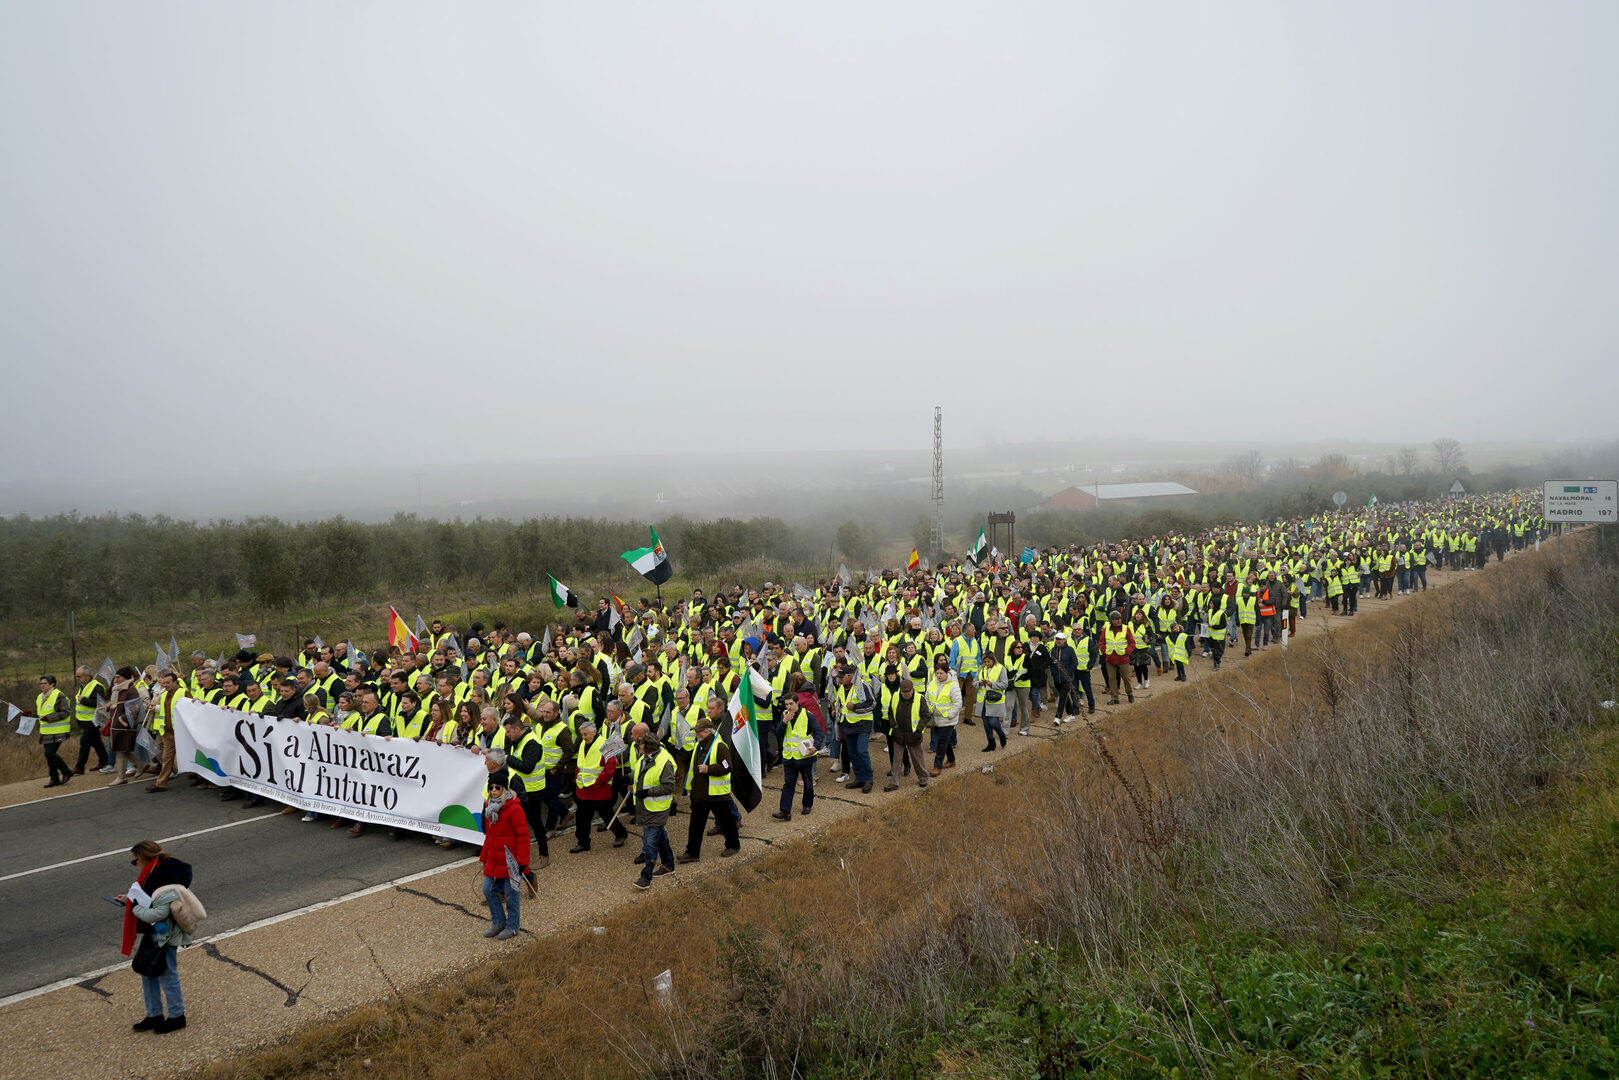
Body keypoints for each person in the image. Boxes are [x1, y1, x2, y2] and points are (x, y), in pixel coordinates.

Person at [120, 840, 197, 1033]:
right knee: (148, 971)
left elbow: (159, 911)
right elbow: (150, 899)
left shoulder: (162, 876)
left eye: (135, 861)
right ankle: (154, 1014)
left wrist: (134, 906)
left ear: (144, 858)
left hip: (164, 932)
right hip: (154, 930)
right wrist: (128, 899)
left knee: (166, 973)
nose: (135, 865)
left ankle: (177, 1016)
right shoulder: (158, 870)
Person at [678, 708, 740, 862]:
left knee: (726, 822)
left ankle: (733, 845)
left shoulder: (719, 746)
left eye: (699, 731)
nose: (697, 734)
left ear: (708, 731)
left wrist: (709, 769)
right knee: (695, 825)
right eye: (696, 731)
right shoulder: (698, 745)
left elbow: (727, 767)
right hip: (700, 794)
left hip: (716, 794)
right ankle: (692, 852)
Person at [478, 772, 527, 940]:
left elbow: (523, 837)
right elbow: (489, 836)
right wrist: (484, 857)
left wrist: (522, 862)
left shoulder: (514, 809)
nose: (493, 790)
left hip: (509, 861)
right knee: (488, 889)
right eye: (491, 787)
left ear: (504, 789)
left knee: (511, 895)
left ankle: (513, 926)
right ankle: (498, 922)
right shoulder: (489, 808)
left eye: (497, 787)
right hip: (493, 858)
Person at [630, 729, 678, 889]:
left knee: (650, 844)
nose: (638, 745)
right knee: (661, 838)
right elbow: (641, 774)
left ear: (648, 747)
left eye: (641, 744)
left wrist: (648, 792)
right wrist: (629, 778)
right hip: (646, 807)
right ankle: (668, 865)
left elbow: (669, 786)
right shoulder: (645, 757)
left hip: (658, 808)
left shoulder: (665, 762)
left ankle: (646, 877)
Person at [570, 719, 627, 852]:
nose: (583, 737)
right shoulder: (583, 744)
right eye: (582, 734)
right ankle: (583, 842)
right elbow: (581, 764)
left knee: (607, 815)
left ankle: (620, 834)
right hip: (584, 788)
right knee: (582, 818)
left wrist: (598, 783)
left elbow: (610, 767)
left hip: (599, 789)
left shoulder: (604, 745)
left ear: (594, 732)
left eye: (585, 734)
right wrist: (577, 780)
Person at [773, 694, 820, 820]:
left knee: (808, 782)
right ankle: (785, 811)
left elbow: (819, 732)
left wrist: (815, 747)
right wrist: (784, 721)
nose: (788, 707)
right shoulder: (784, 715)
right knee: (788, 783)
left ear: (797, 703)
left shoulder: (808, 715)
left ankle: (807, 805)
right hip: (789, 757)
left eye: (791, 704)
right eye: (786, 704)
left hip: (804, 756)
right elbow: (779, 733)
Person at [884, 678, 931, 790]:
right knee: (897, 759)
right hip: (899, 733)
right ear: (900, 690)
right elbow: (890, 712)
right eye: (904, 692)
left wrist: (919, 730)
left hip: (914, 734)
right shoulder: (895, 696)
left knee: (917, 759)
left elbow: (926, 715)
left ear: (912, 689)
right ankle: (894, 783)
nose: (906, 694)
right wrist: (893, 725)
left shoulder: (920, 698)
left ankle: (923, 778)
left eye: (908, 691)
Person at [35, 675, 74, 788]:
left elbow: (66, 712)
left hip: (59, 730)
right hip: (46, 731)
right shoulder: (39, 697)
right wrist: (30, 714)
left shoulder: (59, 696)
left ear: (52, 684)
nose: (42, 685)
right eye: (41, 683)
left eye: (45, 683)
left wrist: (49, 718)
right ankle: (54, 778)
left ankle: (66, 771)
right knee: (49, 756)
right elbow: (41, 714)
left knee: (49, 753)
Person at [72, 665, 112, 775]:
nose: (77, 679)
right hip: (83, 721)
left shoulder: (97, 687)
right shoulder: (83, 686)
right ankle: (104, 761)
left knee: (84, 742)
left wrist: (83, 700)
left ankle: (80, 767)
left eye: (79, 676)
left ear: (87, 676)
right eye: (76, 676)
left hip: (93, 721)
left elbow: (99, 704)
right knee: (96, 741)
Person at [926, 656, 962, 776]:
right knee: (945, 741)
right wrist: (929, 710)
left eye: (941, 673)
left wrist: (950, 715)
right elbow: (927, 698)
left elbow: (958, 703)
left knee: (941, 742)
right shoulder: (932, 683)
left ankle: (937, 766)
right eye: (937, 673)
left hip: (948, 720)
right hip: (935, 718)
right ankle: (951, 760)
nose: (939, 675)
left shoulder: (953, 686)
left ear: (947, 673)